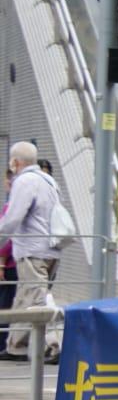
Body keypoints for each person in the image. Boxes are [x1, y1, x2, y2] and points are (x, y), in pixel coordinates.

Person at [0, 143, 62, 361]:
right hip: (51, 248)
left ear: (16, 162)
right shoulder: (48, 180)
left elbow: (12, 219)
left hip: (33, 249)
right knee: (24, 297)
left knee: (37, 298)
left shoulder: (24, 181)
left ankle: (54, 345)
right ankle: (16, 346)